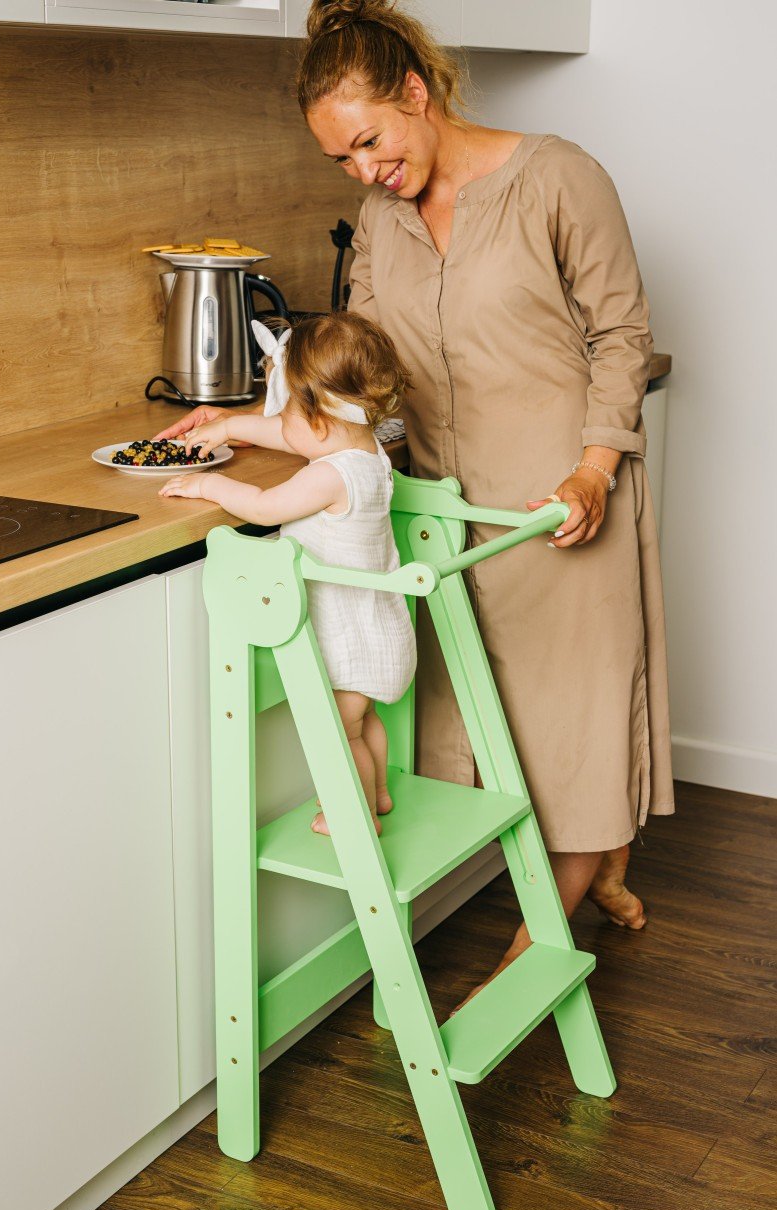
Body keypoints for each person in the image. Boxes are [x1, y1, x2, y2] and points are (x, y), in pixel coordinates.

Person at [161, 0, 676, 1010]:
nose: (364, 171)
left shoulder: (559, 177)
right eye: (340, 160)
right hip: (444, 518)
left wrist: (591, 471)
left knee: (573, 728)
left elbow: (623, 337)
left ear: (418, 91)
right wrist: (261, 428)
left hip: (559, 507)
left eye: (370, 141)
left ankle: (531, 950)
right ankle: (604, 860)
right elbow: (361, 373)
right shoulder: (383, 228)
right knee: (493, 737)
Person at [159, 313, 417, 836]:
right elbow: (289, 435)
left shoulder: (327, 474)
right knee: (365, 722)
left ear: (317, 416)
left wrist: (208, 488)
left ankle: (359, 814)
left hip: (344, 635)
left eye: (285, 411)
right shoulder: (366, 451)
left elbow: (263, 506)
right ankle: (382, 793)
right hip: (377, 624)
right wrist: (228, 425)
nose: (277, 425)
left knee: (340, 732)